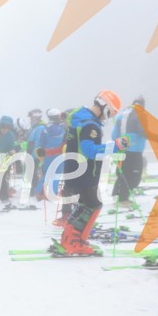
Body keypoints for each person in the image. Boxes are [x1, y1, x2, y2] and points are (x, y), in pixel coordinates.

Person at [58, 91, 128, 255]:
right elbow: (89, 150)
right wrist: (115, 146)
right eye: (109, 114)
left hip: (74, 169)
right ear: (105, 107)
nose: (106, 118)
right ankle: (74, 241)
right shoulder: (90, 125)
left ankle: (68, 238)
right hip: (84, 172)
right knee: (93, 205)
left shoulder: (80, 116)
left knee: (84, 204)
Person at [111, 96, 148, 205]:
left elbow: (114, 134)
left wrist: (118, 146)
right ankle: (123, 199)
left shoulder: (122, 114)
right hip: (134, 149)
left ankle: (117, 195)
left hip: (122, 148)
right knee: (134, 175)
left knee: (123, 173)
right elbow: (142, 131)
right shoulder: (139, 114)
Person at [36, 108, 67, 200]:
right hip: (59, 154)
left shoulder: (45, 128)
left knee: (45, 173)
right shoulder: (64, 128)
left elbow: (41, 142)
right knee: (56, 174)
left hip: (47, 154)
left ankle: (40, 192)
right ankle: (52, 194)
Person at [26, 109, 46, 197]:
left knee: (33, 172)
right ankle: (34, 189)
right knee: (32, 171)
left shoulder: (40, 128)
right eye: (31, 118)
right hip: (32, 153)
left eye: (32, 118)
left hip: (35, 154)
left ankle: (35, 189)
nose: (31, 120)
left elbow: (37, 142)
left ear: (37, 118)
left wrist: (33, 155)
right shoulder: (35, 127)